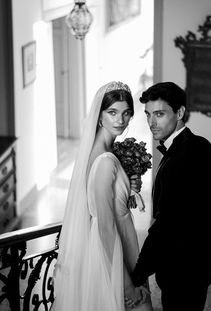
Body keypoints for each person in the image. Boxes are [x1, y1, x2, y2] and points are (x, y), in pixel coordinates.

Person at [130, 82, 211, 310]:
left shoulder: (181, 158)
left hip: (181, 271)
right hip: (200, 265)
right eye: (148, 115)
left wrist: (139, 274)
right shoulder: (201, 144)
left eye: (159, 114)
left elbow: (165, 225)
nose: (151, 123)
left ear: (180, 113)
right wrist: (198, 232)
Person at [51, 81, 153, 311]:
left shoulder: (104, 152)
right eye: (112, 112)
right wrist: (126, 285)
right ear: (99, 116)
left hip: (117, 245)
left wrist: (127, 188)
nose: (120, 120)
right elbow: (105, 227)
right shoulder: (105, 161)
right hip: (113, 253)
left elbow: (103, 203)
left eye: (126, 113)